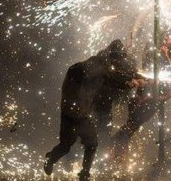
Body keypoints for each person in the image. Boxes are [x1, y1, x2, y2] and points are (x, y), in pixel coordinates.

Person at [43, 40, 140, 181]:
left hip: (83, 114)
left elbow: (112, 80)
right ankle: (50, 158)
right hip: (71, 115)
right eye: (116, 58)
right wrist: (128, 82)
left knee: (92, 144)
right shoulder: (88, 67)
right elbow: (109, 78)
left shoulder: (98, 69)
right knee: (66, 145)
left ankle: (84, 174)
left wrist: (128, 82)